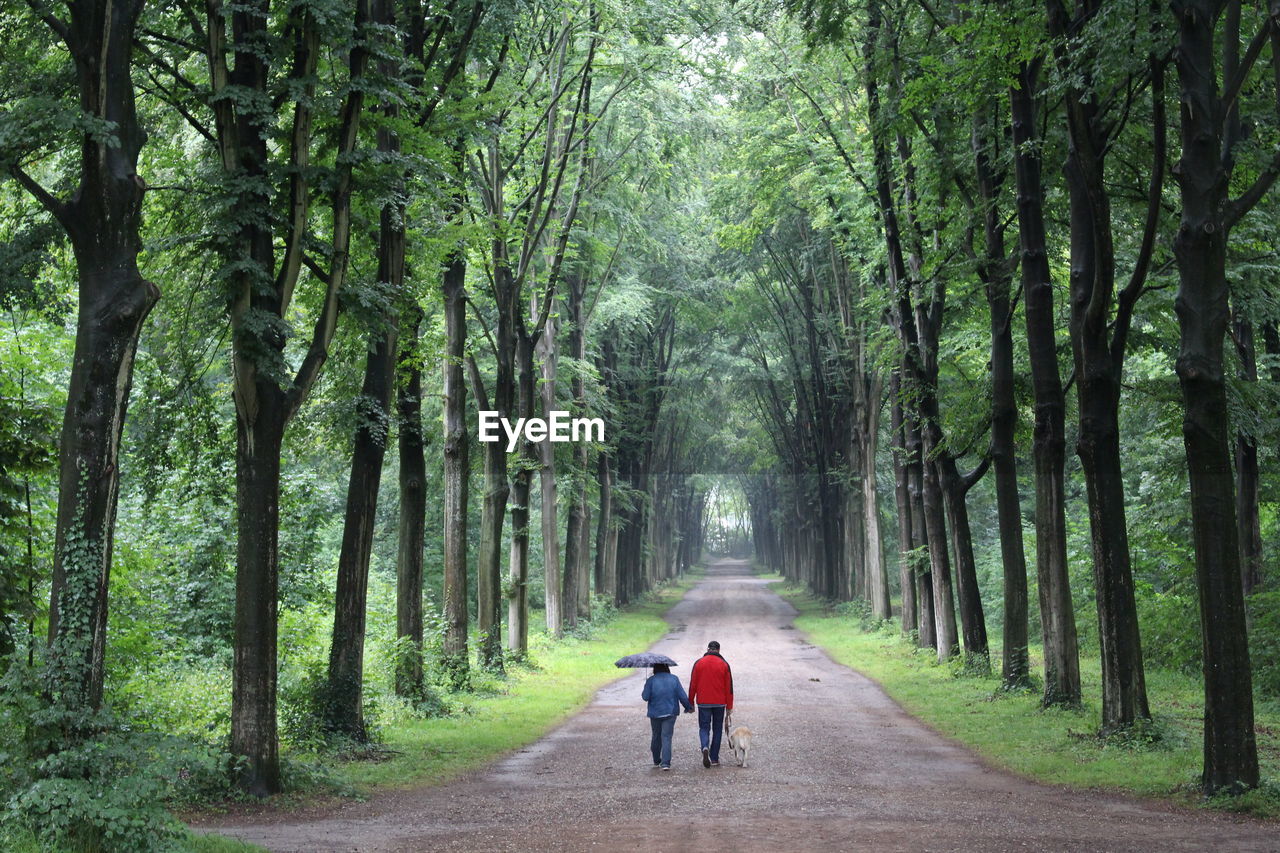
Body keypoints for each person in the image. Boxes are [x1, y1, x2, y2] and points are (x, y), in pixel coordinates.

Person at [687, 640, 733, 768]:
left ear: (707, 649)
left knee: (704, 727)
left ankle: (705, 746)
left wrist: (690, 702)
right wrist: (729, 706)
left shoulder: (699, 663)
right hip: (719, 702)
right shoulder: (724, 664)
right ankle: (714, 758)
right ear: (719, 650)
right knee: (717, 729)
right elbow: (729, 687)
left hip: (703, 702)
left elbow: (693, 685)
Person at [642, 663, 693, 770]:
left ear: (655, 669)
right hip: (670, 712)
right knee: (666, 737)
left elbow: (645, 697)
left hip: (655, 713)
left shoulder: (651, 680)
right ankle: (665, 764)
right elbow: (682, 695)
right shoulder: (674, 679)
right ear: (667, 668)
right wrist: (688, 707)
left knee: (656, 736)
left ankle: (656, 760)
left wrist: (647, 685)